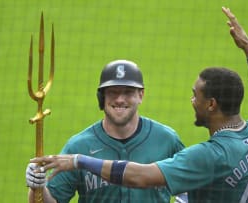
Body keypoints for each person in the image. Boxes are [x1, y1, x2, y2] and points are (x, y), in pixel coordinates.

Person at [30, 6, 248, 202]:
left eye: (196, 96)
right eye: (112, 93)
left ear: (212, 104)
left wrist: (79, 161)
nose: (192, 101)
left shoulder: (208, 155)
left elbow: (140, 176)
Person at [26, 59, 186, 202]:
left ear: (141, 95)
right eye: (113, 92)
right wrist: (37, 187)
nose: (120, 99)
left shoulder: (167, 140)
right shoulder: (79, 146)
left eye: (128, 92)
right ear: (102, 97)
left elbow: (193, 188)